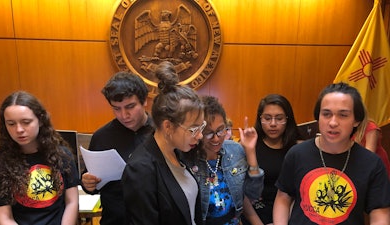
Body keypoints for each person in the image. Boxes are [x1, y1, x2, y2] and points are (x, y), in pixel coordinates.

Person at [273, 82, 390, 224]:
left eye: (343, 115)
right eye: (326, 114)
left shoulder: (371, 163)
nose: (333, 122)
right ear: (318, 117)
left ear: (356, 120)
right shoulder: (297, 154)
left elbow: (379, 212)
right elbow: (283, 198)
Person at [121, 61, 204, 225]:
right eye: (194, 129)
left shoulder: (178, 151)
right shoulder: (140, 169)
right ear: (168, 126)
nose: (200, 136)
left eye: (202, 127)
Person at [0, 91, 79, 225]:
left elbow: (72, 202)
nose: (19, 129)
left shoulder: (62, 154)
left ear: (41, 120)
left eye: (26, 122)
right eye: (11, 124)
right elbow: (4, 218)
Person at [80, 72, 154, 225]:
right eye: (116, 109)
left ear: (144, 100)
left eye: (130, 107)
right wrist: (87, 183)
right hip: (114, 220)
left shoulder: (161, 132)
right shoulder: (102, 137)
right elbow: (89, 183)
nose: (124, 115)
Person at [181, 95, 264, 225]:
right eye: (209, 133)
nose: (216, 139)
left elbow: (253, 195)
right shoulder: (186, 158)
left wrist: (250, 152)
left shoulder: (235, 150)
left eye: (221, 130)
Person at [243, 94, 300, 225]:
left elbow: (298, 193)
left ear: (288, 119)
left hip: (288, 217)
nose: (273, 124)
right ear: (260, 118)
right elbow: (242, 193)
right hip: (254, 216)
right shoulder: (248, 145)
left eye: (279, 118)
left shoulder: (298, 149)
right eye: (267, 118)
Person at [353, 108, 390, 179]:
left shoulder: (371, 128)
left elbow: (369, 157)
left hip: (375, 168)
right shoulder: (348, 128)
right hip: (358, 165)